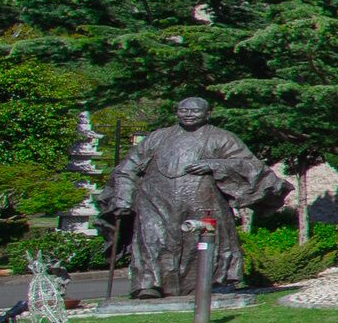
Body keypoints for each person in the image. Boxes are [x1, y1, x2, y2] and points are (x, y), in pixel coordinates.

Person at [106, 98, 287, 299]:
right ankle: (149, 285)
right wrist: (123, 197)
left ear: (207, 114)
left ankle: (209, 284)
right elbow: (127, 168)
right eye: (184, 110)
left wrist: (215, 165)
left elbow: (250, 166)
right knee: (152, 240)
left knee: (202, 244)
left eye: (195, 111)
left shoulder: (222, 138)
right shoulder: (157, 137)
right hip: (154, 201)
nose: (189, 114)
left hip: (203, 202)